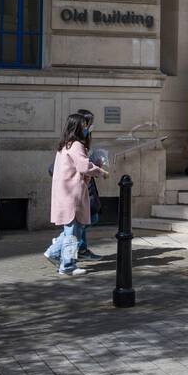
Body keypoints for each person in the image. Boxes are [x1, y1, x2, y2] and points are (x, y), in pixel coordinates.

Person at [45, 110, 109, 276]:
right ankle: (67, 266)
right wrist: (101, 171)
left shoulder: (65, 145)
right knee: (73, 232)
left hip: (65, 193)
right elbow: (84, 167)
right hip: (73, 195)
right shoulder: (77, 145)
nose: (87, 128)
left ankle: (53, 252)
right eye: (85, 125)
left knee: (73, 229)